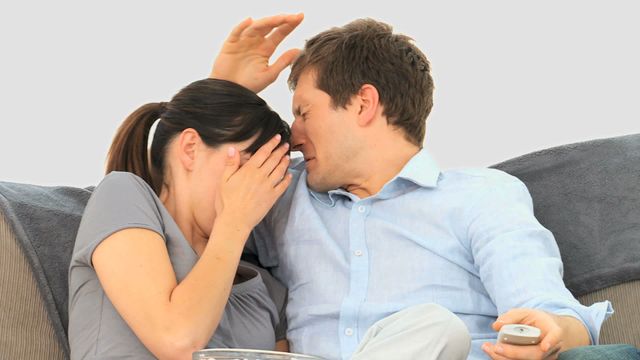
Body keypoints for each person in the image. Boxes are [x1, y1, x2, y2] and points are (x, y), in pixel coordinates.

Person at [210, 14, 613, 360]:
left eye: (303, 113)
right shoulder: (280, 192)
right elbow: (184, 207)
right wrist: (225, 91)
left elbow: (556, 315)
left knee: (435, 326)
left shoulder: (480, 196)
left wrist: (551, 333)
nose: (293, 135)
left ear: (363, 104)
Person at [67, 72, 297, 357]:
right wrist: (234, 222)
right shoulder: (122, 196)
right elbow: (177, 341)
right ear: (190, 149)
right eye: (250, 170)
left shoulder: (267, 289)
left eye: (270, 180)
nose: (260, 194)